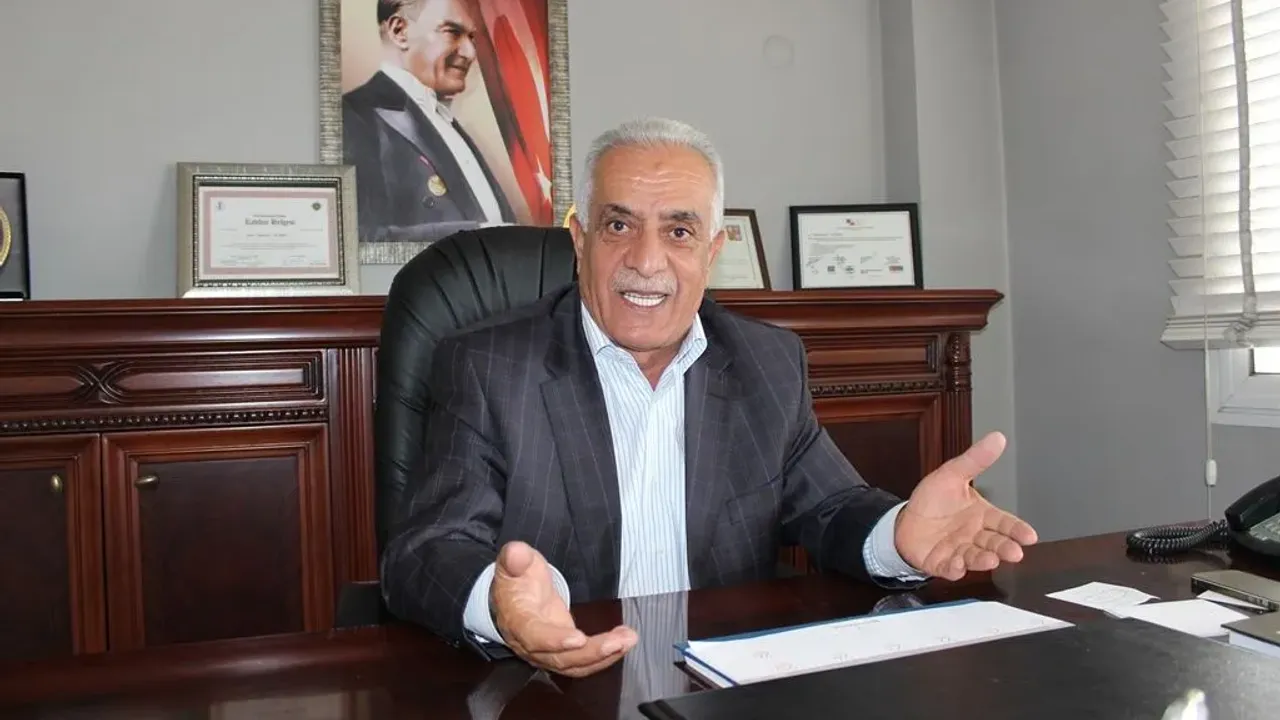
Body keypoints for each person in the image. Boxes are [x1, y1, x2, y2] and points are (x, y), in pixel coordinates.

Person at [379, 117, 1038, 679]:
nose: (646, 261)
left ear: (713, 250)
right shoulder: (490, 366)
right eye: (618, 225)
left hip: (720, 684)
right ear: (580, 240)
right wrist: (499, 604)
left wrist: (898, 536)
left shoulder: (765, 362)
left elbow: (831, 506)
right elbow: (426, 549)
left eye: (679, 231)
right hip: (553, 689)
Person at [342, 0, 517, 245]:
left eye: (471, 37)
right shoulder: (354, 115)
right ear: (399, 31)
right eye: (452, 32)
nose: (470, 52)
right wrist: (479, 235)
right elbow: (357, 238)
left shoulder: (443, 118)